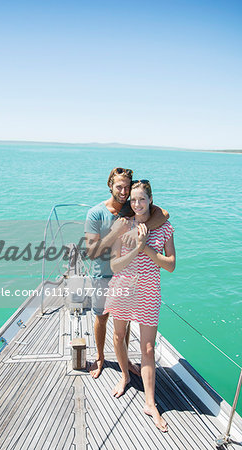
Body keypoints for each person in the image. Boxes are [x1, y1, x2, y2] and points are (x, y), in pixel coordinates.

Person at [104, 179, 176, 432]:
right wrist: (136, 250)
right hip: (123, 287)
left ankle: (149, 402)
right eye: (133, 200)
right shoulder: (122, 226)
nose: (136, 204)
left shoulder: (165, 228)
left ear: (150, 200)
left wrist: (146, 249)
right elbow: (115, 266)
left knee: (147, 349)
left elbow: (170, 265)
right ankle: (124, 376)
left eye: (141, 199)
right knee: (119, 336)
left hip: (148, 291)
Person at [84, 168, 169, 379]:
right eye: (119, 187)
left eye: (126, 187)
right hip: (103, 274)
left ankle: (126, 359)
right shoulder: (96, 213)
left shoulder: (133, 207)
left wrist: (134, 230)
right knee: (102, 317)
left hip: (127, 276)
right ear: (110, 185)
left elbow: (163, 214)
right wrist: (115, 233)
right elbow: (92, 252)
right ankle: (101, 356)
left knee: (125, 321)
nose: (123, 192)